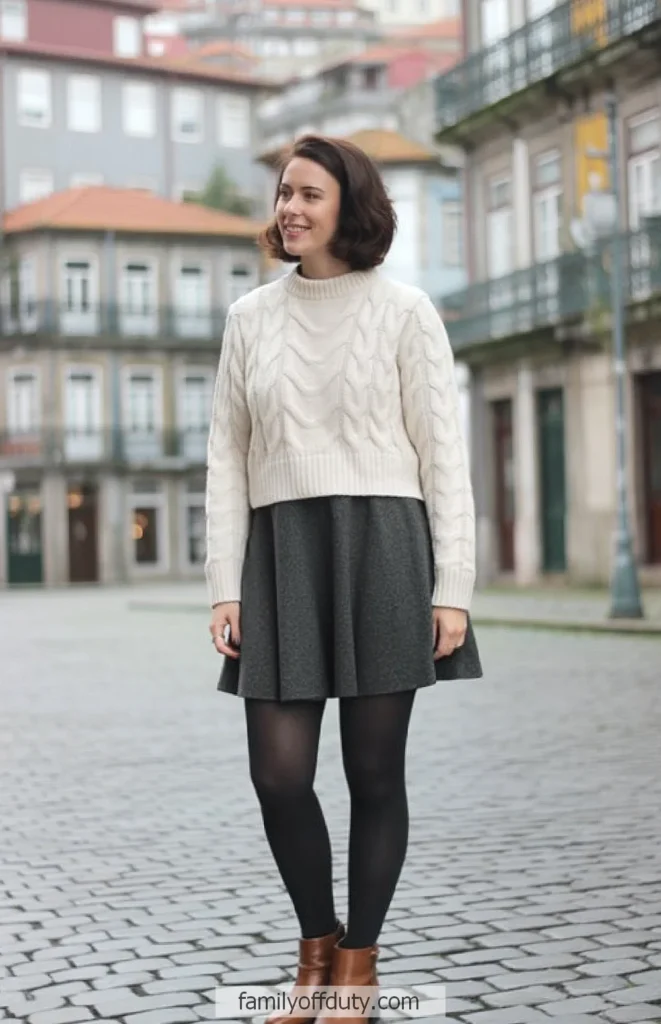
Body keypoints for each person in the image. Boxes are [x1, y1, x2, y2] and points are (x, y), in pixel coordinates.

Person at [205, 134, 482, 1024]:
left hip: (385, 547)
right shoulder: (249, 317)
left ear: (347, 206)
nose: (289, 208)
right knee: (278, 775)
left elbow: (445, 456)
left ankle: (356, 968)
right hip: (280, 549)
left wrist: (454, 589)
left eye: (308, 195)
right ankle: (313, 946)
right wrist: (223, 583)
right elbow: (225, 461)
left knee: (373, 771)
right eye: (284, 193)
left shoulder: (405, 312)